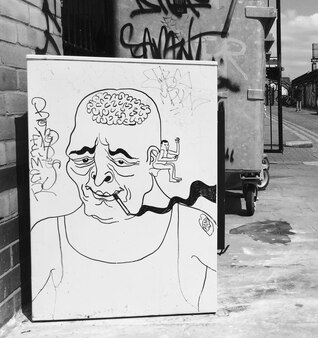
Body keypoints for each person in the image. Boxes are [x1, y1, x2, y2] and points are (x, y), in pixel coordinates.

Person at [31, 88, 216, 319]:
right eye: (83, 159)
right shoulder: (49, 234)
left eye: (120, 160)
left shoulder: (191, 228)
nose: (99, 176)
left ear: (152, 160)